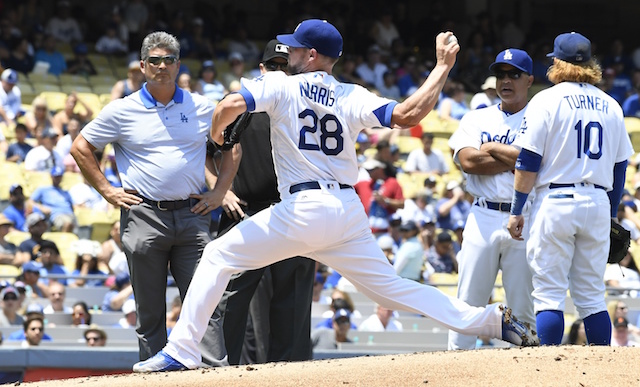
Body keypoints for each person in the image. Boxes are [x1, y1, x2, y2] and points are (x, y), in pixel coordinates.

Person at [132, 19, 537, 373]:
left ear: (310, 54)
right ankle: (492, 323)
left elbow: (232, 103)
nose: (288, 51)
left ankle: (182, 350)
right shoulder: (351, 93)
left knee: (219, 256)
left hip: (301, 209)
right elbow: (410, 115)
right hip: (346, 212)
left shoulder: (280, 83)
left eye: (293, 47)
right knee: (391, 290)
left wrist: (219, 135)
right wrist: (442, 67)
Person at [70, 31, 223, 362]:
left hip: (192, 213)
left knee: (205, 301)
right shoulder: (122, 110)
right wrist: (108, 191)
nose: (162, 66)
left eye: (169, 60)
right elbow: (80, 147)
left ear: (178, 64)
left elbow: (231, 145)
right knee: (150, 310)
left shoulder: (202, 107)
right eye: (154, 60)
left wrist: (222, 190)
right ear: (142, 66)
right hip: (144, 215)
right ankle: (156, 376)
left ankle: (216, 377)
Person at [506, 32, 634, 346]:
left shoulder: (547, 100)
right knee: (591, 296)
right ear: (590, 64)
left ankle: (549, 371)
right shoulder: (611, 105)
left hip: (556, 199)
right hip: (597, 202)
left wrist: (517, 209)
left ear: (557, 63)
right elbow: (620, 168)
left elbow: (528, 160)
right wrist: (611, 213)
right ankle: (602, 369)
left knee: (549, 292)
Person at [205, 39, 315, 366]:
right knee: (231, 300)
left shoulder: (304, 106)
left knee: (292, 303)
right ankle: (220, 372)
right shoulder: (240, 104)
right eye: (275, 66)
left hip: (293, 210)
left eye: (286, 67)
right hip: (247, 211)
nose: (280, 72)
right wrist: (220, 189)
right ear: (262, 69)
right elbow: (201, 154)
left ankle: (290, 375)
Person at [447, 48, 536, 350]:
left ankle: (527, 376)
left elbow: (540, 164)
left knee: (523, 308)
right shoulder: (477, 116)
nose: (506, 80)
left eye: (514, 74)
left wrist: (491, 146)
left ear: (529, 80)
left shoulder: (540, 118)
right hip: (483, 215)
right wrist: (519, 161)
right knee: (467, 302)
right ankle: (454, 369)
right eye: (501, 74)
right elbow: (468, 162)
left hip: (525, 215)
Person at [27, 166, 76, 233]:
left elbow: (74, 206)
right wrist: (42, 208)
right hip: (57, 215)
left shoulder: (66, 192)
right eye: (56, 176)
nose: (57, 179)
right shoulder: (43, 189)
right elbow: (30, 202)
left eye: (59, 176)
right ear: (51, 176)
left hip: (71, 214)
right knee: (67, 224)